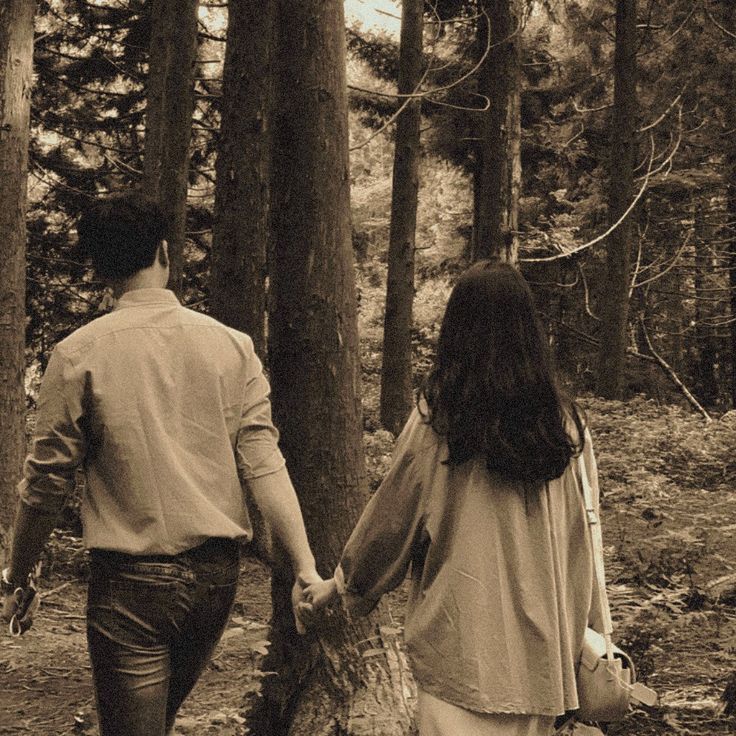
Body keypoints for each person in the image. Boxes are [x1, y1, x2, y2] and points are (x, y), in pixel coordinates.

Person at [1, 192, 321, 736]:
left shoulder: (78, 353)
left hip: (130, 587)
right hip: (216, 583)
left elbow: (45, 484)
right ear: (164, 253)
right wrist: (305, 567)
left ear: (98, 268)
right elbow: (264, 462)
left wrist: (20, 572)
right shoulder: (232, 346)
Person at [304, 260, 602, 736]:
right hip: (542, 662)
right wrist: (592, 635)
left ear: (457, 332)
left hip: (461, 656)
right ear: (530, 331)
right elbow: (584, 545)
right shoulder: (565, 427)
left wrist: (343, 585)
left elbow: (391, 521)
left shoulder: (441, 421)